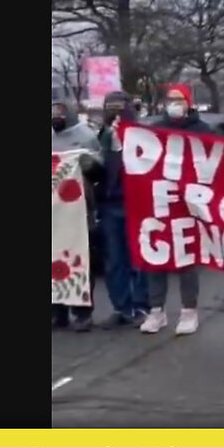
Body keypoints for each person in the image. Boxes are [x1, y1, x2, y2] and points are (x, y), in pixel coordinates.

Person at [138, 83, 213, 336]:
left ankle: (189, 311)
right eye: (170, 99)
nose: (174, 103)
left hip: (188, 203)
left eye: (179, 99)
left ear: (189, 102)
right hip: (159, 201)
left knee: (186, 259)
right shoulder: (155, 129)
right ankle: (156, 311)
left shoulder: (202, 130)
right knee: (155, 257)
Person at [93, 91, 149, 328]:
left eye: (119, 107)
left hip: (136, 202)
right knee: (115, 260)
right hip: (109, 204)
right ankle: (121, 307)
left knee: (139, 258)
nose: (114, 112)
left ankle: (142, 306)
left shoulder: (143, 135)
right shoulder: (101, 136)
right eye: (110, 107)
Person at [52, 98, 102, 332]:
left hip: (80, 208)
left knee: (79, 259)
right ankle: (56, 311)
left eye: (59, 112)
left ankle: (82, 312)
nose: (55, 117)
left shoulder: (85, 135)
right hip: (54, 210)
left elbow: (100, 168)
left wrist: (87, 164)